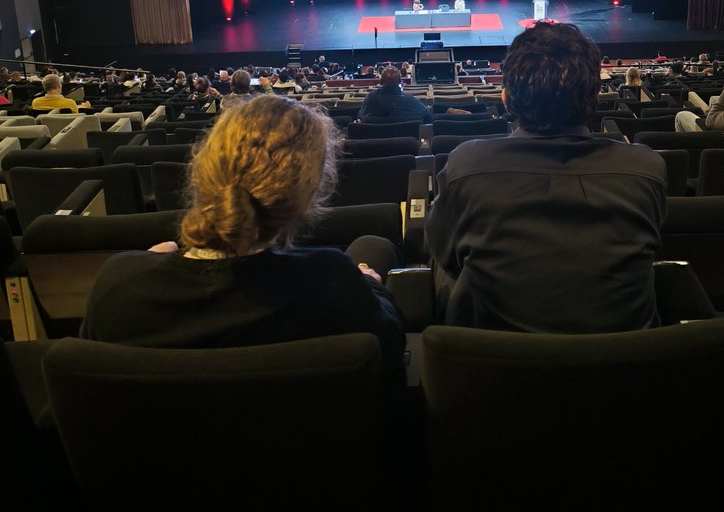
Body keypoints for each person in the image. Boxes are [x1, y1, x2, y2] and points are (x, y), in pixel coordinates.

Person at [80, 96, 405, 374]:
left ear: (204, 168)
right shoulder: (335, 281)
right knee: (372, 247)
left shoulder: (117, 287)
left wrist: (138, 273)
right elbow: (390, 351)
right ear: (307, 195)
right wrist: (372, 287)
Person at [426, 22, 666, 333]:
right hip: (624, 367)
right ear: (595, 96)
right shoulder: (644, 168)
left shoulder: (466, 165)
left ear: (506, 99)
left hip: (493, 363)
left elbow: (443, 251)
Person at [359, 67, 430, 123]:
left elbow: (360, 117)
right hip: (404, 141)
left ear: (381, 81)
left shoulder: (370, 98)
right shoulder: (410, 100)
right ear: (400, 81)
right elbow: (427, 116)